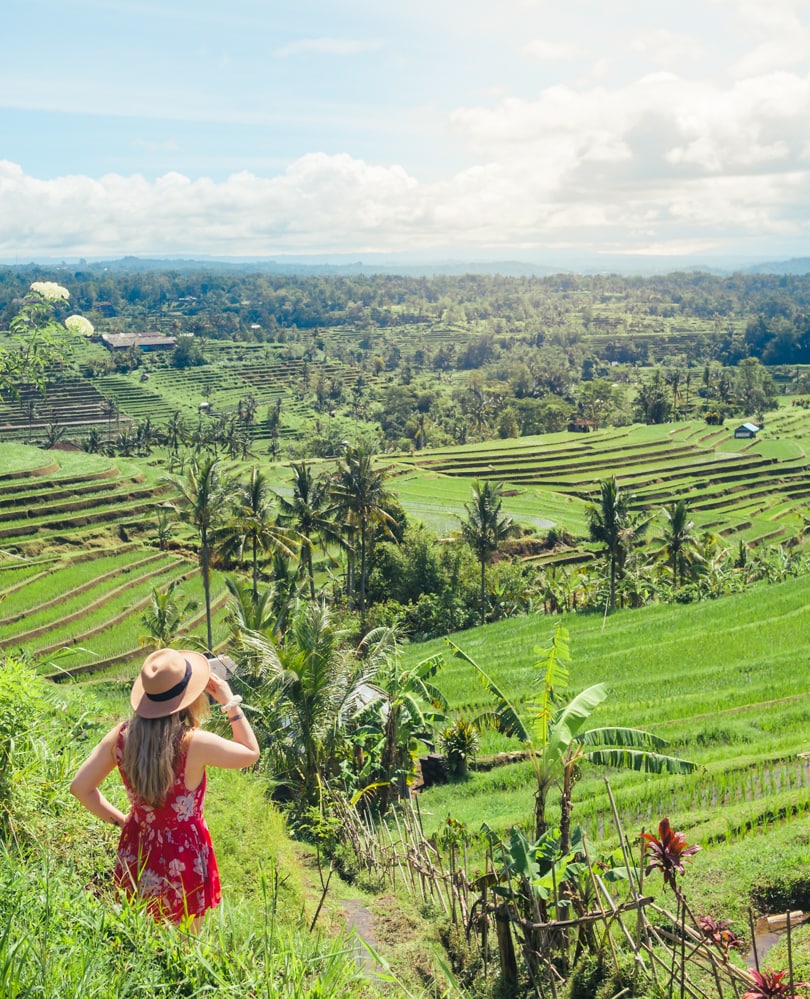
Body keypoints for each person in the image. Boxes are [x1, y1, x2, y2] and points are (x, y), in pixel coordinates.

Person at [70, 647, 260, 926]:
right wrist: (230, 702)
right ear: (188, 697)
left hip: (138, 845)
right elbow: (250, 752)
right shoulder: (193, 742)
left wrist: (124, 822)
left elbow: (80, 787)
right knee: (185, 944)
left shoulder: (121, 736)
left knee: (141, 936)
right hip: (184, 854)